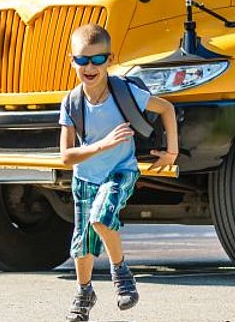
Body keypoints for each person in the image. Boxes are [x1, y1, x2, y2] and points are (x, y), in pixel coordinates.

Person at [58, 23, 178, 322]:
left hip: (120, 172)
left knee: (102, 218)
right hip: (85, 177)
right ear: (71, 60)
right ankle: (84, 293)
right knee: (82, 243)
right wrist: (103, 144)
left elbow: (167, 109)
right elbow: (66, 156)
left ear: (110, 60)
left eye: (97, 60)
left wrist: (172, 151)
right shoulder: (71, 102)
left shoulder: (125, 93)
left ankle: (121, 274)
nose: (90, 66)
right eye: (82, 59)